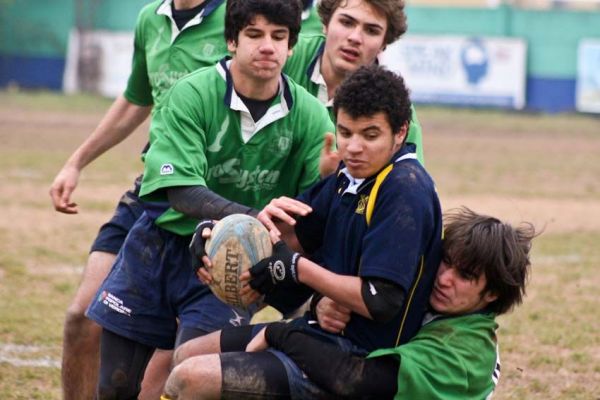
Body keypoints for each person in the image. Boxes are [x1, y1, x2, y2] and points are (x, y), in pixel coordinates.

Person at [85, 0, 334, 397]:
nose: (267, 46)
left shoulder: (310, 117)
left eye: (278, 36)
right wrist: (250, 218)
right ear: (232, 40)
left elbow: (309, 216)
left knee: (197, 377)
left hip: (235, 264)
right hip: (158, 248)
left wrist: (323, 184)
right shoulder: (192, 93)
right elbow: (180, 190)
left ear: (291, 47)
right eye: (254, 34)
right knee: (115, 386)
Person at [164, 64, 443, 399]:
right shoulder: (348, 178)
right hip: (317, 333)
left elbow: (379, 300)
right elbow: (290, 234)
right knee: (187, 354)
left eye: (370, 135)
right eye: (345, 132)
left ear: (400, 132)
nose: (353, 148)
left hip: (355, 361)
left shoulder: (404, 187)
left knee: (192, 378)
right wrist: (217, 233)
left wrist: (298, 269)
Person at [49, 1, 228, 398]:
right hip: (151, 191)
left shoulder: (238, 18)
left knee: (172, 361)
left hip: (208, 202)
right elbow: (136, 98)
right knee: (81, 317)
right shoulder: (151, 18)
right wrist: (76, 161)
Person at [242, 207, 536, 399]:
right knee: (195, 353)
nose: (444, 278)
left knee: (205, 377)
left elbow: (360, 382)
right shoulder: (434, 299)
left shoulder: (465, 355)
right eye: (446, 261)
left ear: (493, 293)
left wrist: (280, 334)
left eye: (465, 275)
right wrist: (322, 302)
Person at [285, 0, 426, 164]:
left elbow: (410, 183)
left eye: (371, 30)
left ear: (384, 43)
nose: (355, 38)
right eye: (346, 22)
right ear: (325, 23)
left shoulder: (396, 109)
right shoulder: (283, 57)